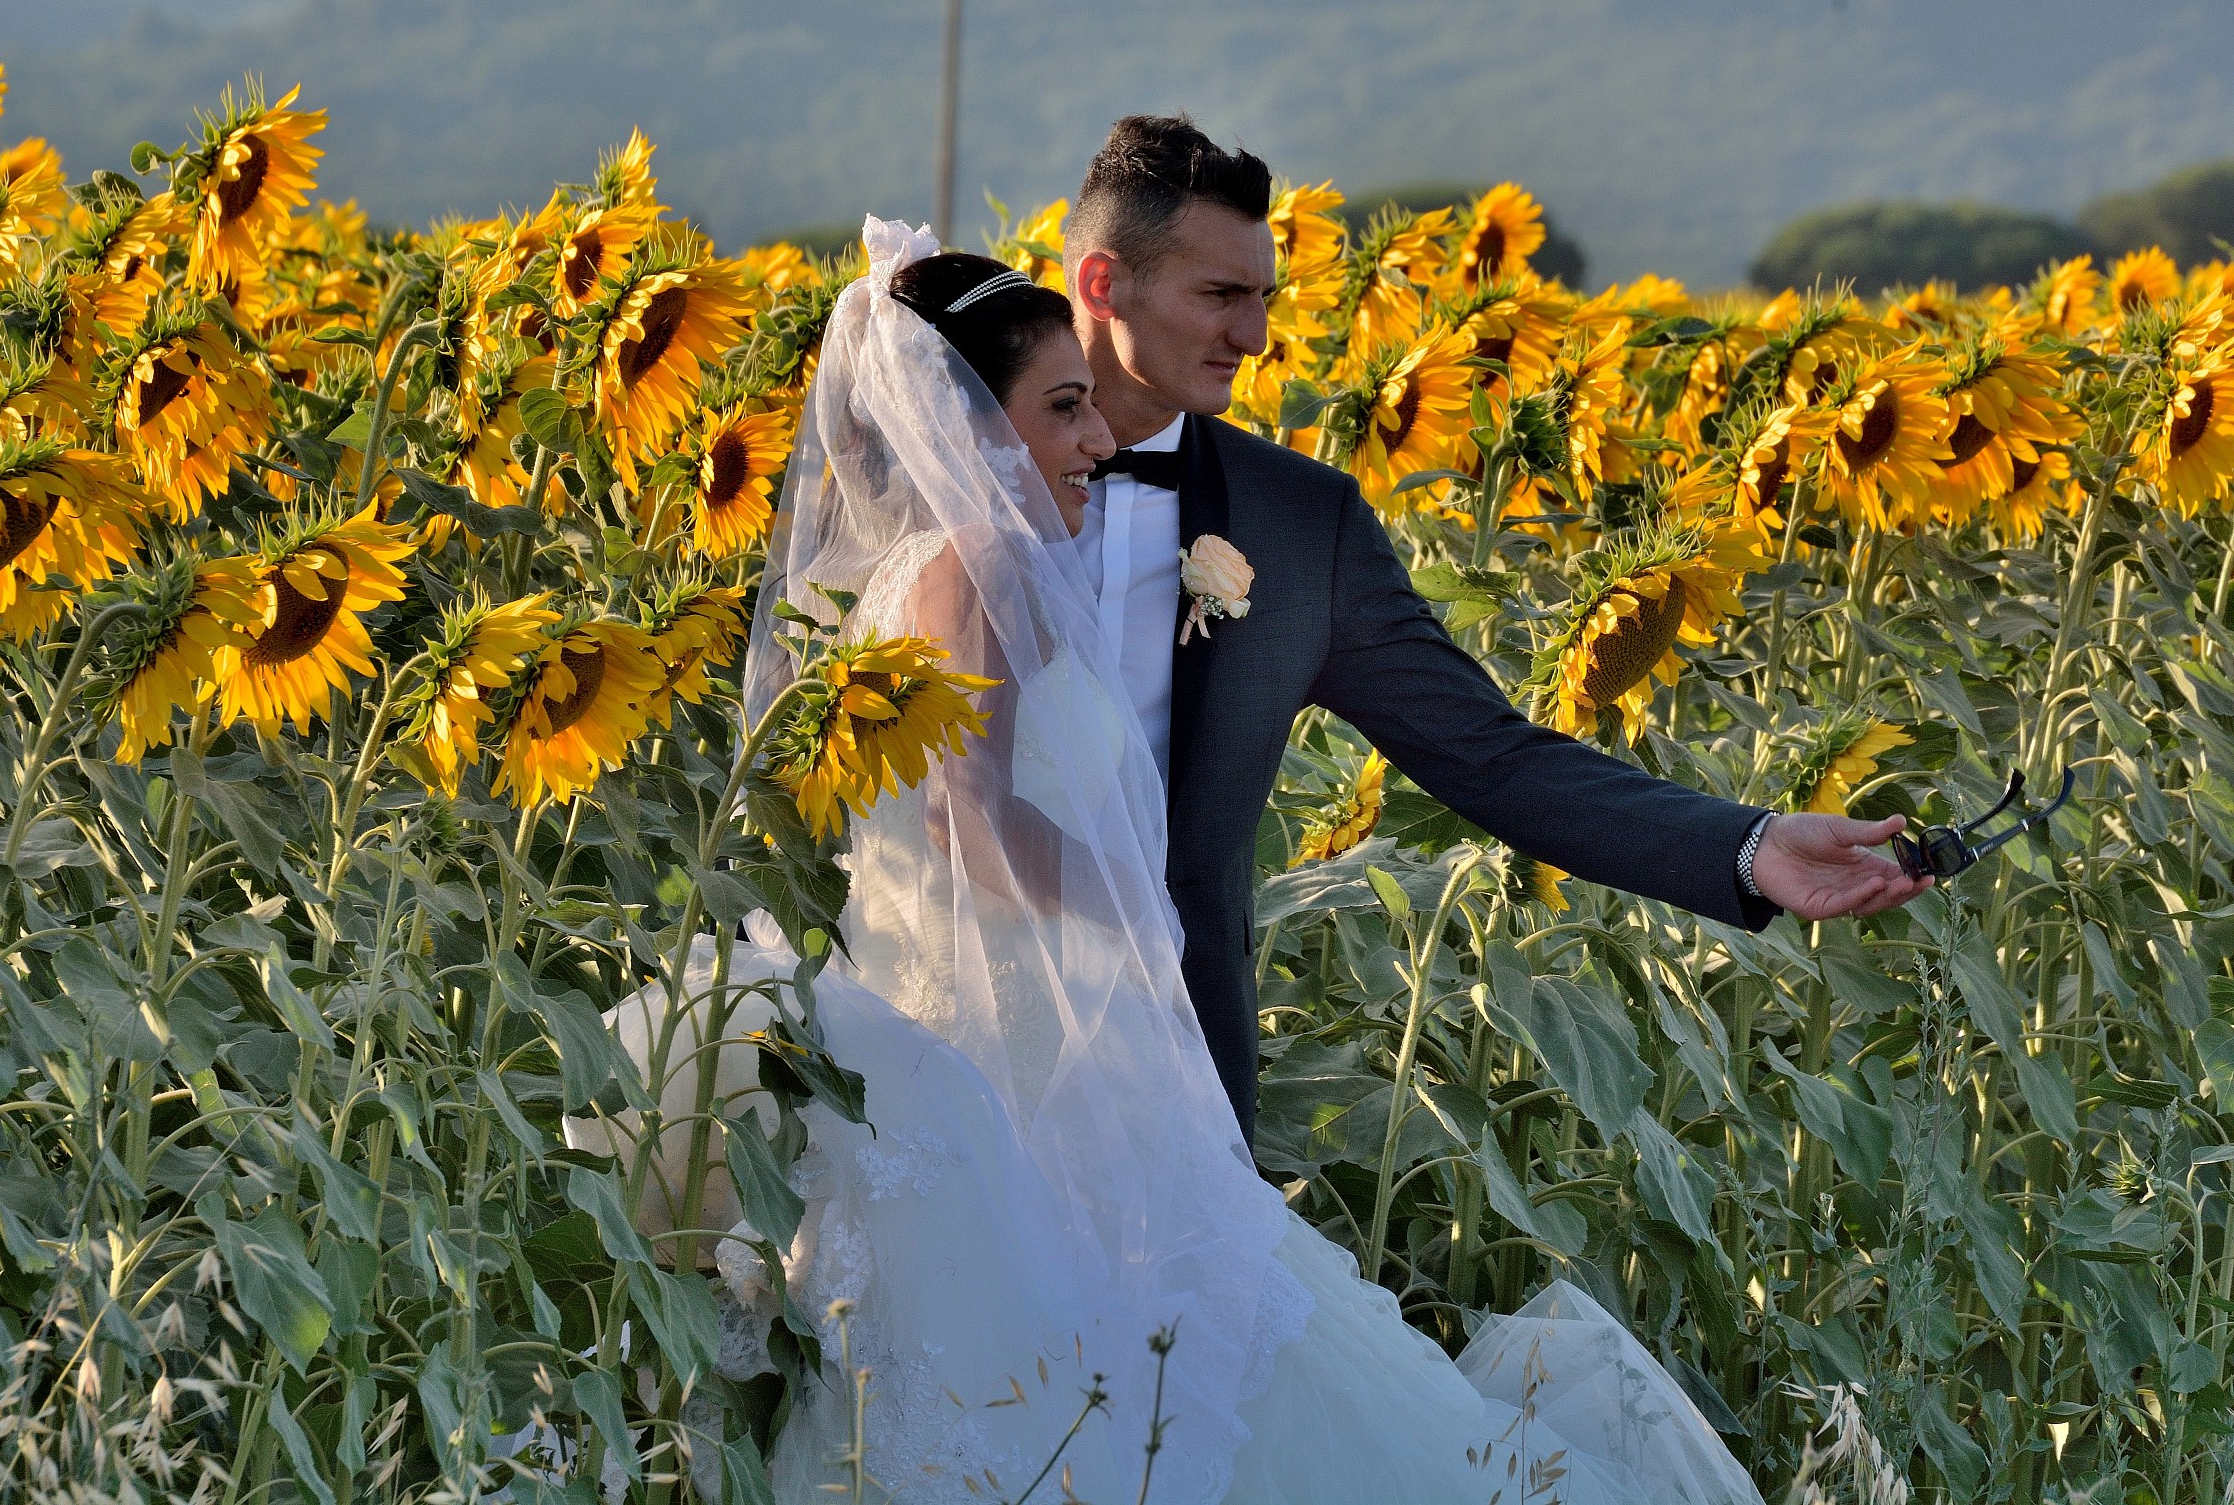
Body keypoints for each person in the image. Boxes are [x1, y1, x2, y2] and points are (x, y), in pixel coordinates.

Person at [584, 218, 1771, 1503]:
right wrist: (1127, 904)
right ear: (970, 426)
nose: (1099, 439)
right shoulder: (977, 564)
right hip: (1034, 1073)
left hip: (950, 1044)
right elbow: (963, 819)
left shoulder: (905, 579)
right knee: (1177, 1377)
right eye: (1065, 409)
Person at [1061, 114, 1933, 1135]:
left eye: (1264, 299)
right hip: (947, 1040)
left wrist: (1749, 846)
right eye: (1219, 296)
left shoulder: (1299, 526)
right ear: (1102, 285)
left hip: (1175, 1068)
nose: (1253, 338)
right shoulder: (942, 467)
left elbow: (1493, 757)